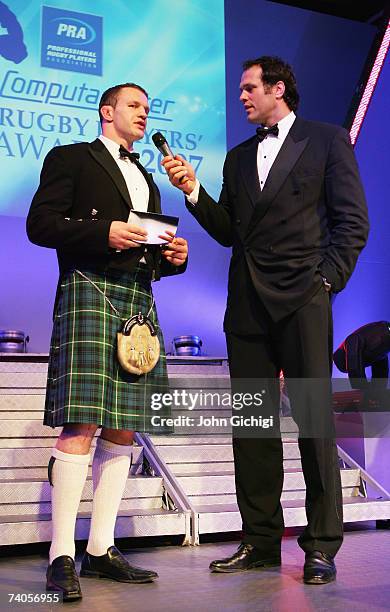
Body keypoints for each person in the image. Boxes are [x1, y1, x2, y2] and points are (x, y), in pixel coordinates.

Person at [162, 56, 369, 584]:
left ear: (279, 89)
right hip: (247, 307)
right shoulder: (236, 157)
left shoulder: (325, 141)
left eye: (249, 88)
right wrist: (192, 192)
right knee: (252, 430)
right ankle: (259, 541)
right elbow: (230, 231)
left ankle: (321, 545)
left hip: (304, 301)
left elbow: (353, 222)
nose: (242, 97)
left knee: (315, 426)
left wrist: (326, 281)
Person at [26, 81, 188, 601]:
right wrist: (103, 233)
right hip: (90, 292)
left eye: (148, 107)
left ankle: (100, 548)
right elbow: (40, 224)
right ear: (107, 111)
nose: (144, 114)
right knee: (82, 423)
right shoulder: (71, 157)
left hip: (138, 300)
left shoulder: (146, 177)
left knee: (124, 428)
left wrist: (171, 258)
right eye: (135, 105)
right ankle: (60, 558)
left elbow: (148, 249)